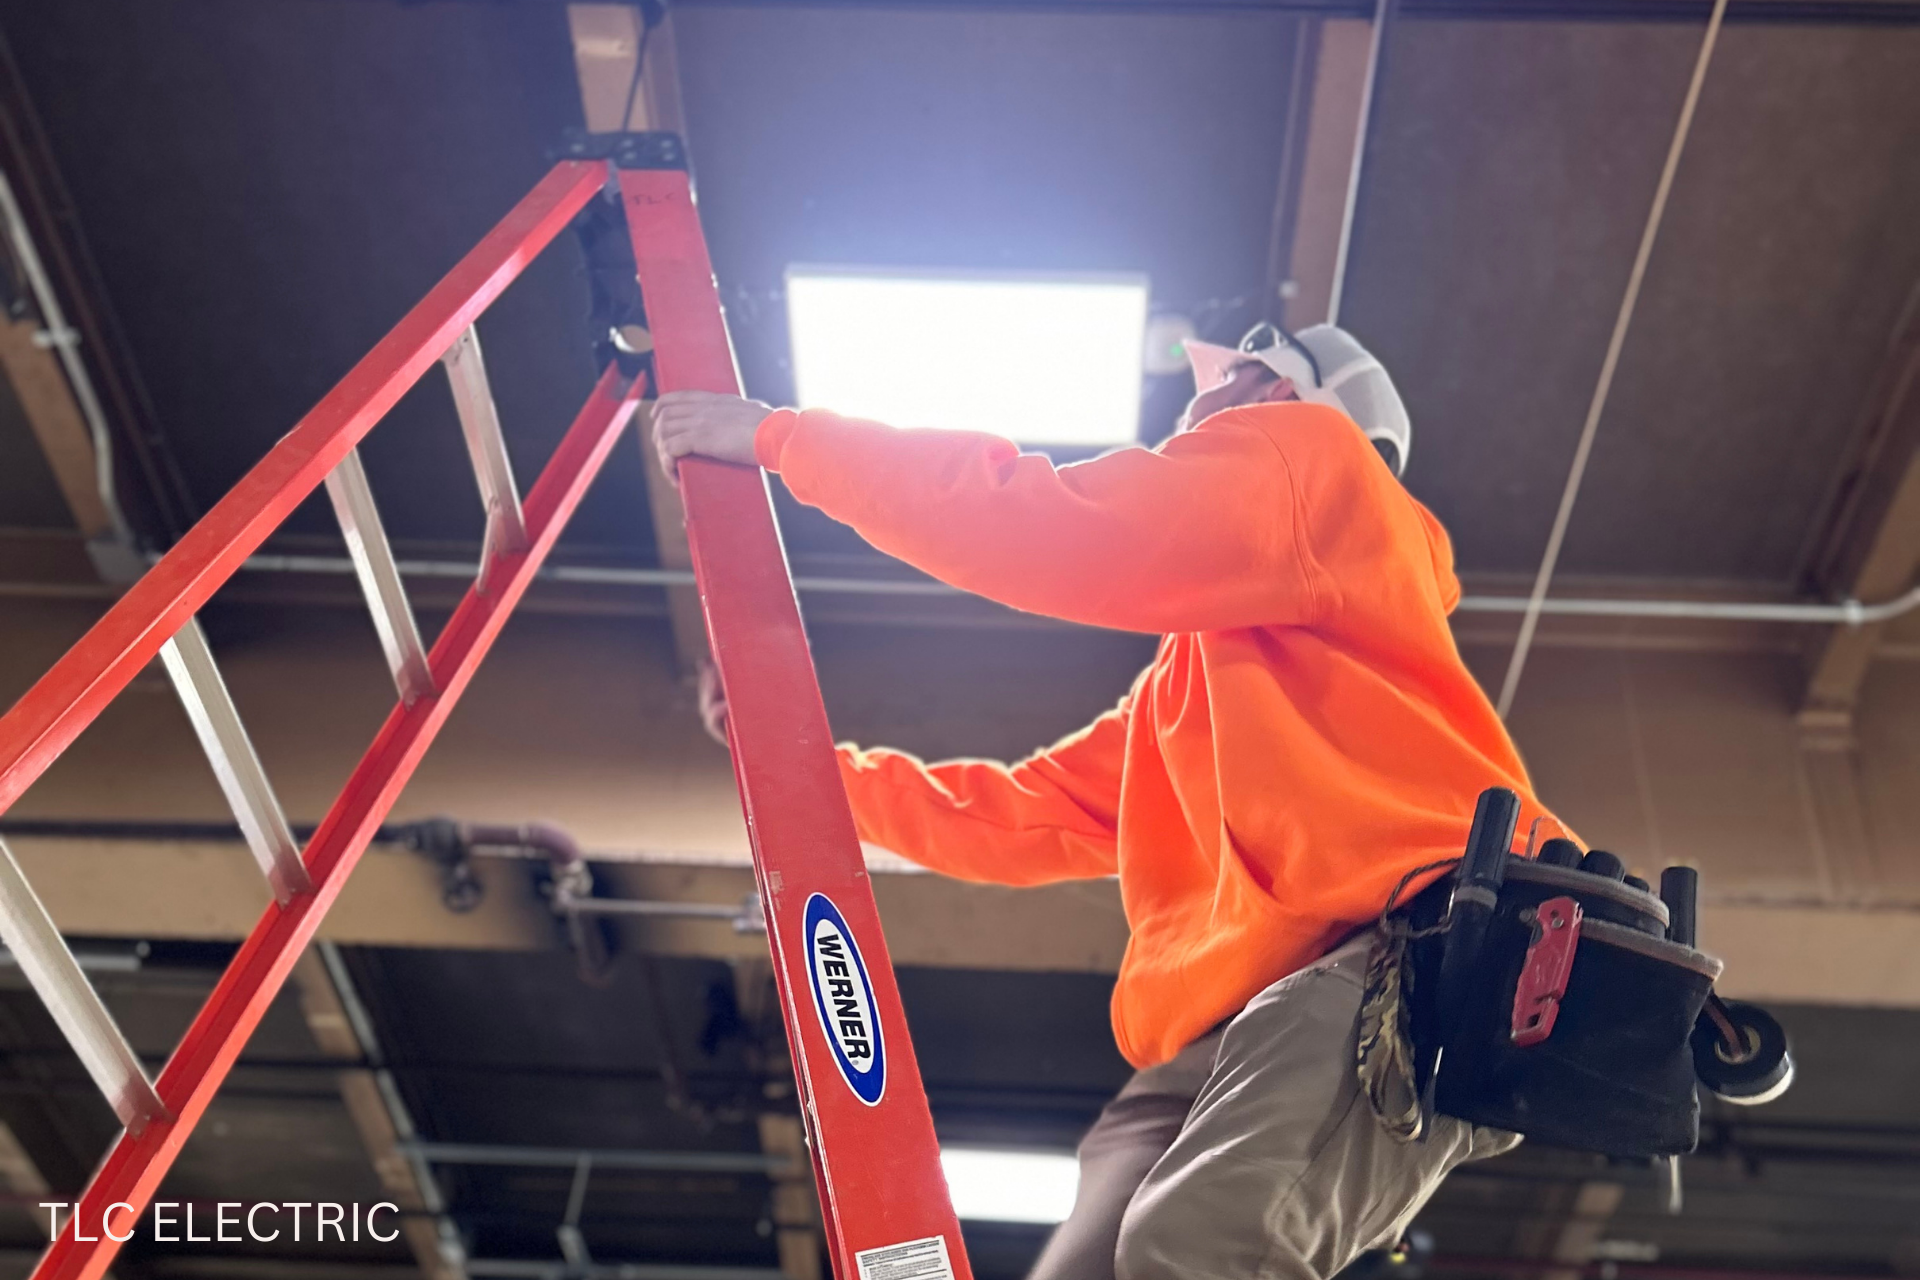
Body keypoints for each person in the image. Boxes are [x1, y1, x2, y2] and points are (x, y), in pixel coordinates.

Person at [651, 322, 1562, 1280]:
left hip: (1392, 958)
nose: (1196, 410)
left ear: (1290, 395)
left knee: (1200, 1253)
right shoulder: (1203, 677)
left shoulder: (1324, 464)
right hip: (1226, 1033)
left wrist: (782, 440)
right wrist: (790, 769)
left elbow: (1052, 522)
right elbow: (1019, 816)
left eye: (1229, 384)